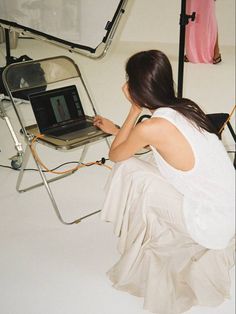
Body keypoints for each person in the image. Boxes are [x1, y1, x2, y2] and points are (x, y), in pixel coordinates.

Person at [93, 50, 235, 314]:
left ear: (136, 87)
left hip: (209, 224)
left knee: (130, 169)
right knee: (146, 165)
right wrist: (118, 130)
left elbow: (116, 155)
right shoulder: (186, 108)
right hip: (227, 212)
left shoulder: (149, 127)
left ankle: (131, 233)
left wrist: (134, 109)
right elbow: (162, 145)